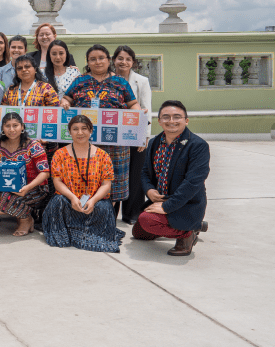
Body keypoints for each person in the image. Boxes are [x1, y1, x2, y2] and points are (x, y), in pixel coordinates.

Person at [61, 44, 141, 214]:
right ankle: (85, 215)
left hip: (115, 143)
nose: (97, 62)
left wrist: (138, 115)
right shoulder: (80, 81)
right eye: (92, 59)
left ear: (108, 60)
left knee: (111, 181)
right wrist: (66, 102)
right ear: (88, 62)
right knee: (87, 178)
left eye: (101, 58)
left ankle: (105, 218)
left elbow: (133, 104)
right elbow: (67, 97)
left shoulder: (120, 82)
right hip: (85, 141)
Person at [133, 101, 210, 256]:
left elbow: (193, 183)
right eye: (166, 117)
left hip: (185, 204)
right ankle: (195, 226)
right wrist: (149, 190)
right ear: (159, 121)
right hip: (160, 199)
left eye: (177, 117)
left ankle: (187, 234)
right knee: (139, 233)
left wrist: (166, 207)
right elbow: (145, 172)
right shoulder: (155, 142)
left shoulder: (198, 145)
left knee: (148, 221)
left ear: (186, 120)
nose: (171, 121)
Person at [42, 115, 124, 252]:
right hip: (69, 201)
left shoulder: (103, 156)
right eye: (75, 129)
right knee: (58, 201)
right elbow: (57, 182)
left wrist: (93, 200)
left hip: (93, 202)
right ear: (69, 132)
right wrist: (73, 198)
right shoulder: (60, 154)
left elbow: (106, 185)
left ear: (91, 130)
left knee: (103, 207)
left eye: (84, 129)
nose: (80, 133)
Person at [0, 113, 51, 236]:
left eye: (15, 125)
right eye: (8, 126)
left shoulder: (33, 145)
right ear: (2, 128)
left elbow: (45, 173)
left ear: (22, 127)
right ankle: (23, 216)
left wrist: (27, 188)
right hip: (8, 188)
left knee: (5, 200)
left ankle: (25, 220)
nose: (11, 130)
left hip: (35, 189)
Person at [114, 45, 154, 224]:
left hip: (134, 133)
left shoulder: (141, 81)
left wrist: (145, 136)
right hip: (113, 134)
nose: (124, 62)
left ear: (133, 62)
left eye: (128, 59)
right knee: (113, 172)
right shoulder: (107, 78)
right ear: (113, 60)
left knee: (135, 172)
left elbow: (147, 108)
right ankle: (111, 212)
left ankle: (132, 213)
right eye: (120, 58)